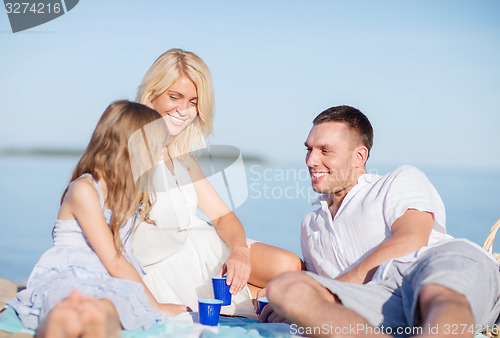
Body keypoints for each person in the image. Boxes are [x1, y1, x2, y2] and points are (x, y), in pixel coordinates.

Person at [260, 106, 500, 336]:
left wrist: (325, 291)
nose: (311, 161)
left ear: (359, 156)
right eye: (308, 149)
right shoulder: (311, 226)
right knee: (286, 289)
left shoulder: (397, 181)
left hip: (432, 270)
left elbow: (411, 239)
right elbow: (326, 291)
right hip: (379, 303)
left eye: (325, 151)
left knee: (434, 290)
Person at [133, 48, 302, 318]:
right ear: (151, 94)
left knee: (290, 267)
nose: (183, 109)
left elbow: (223, 215)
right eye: (174, 96)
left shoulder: (182, 158)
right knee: (284, 291)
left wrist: (240, 252)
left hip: (202, 245)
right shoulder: (129, 152)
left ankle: (263, 304)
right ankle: (262, 307)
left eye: (193, 101)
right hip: (167, 265)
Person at [4, 100, 187, 337]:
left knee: (104, 312)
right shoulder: (85, 189)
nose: (162, 154)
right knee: (65, 311)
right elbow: (113, 259)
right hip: (72, 271)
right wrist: (157, 306)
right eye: (157, 147)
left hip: (110, 278)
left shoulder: (129, 193)